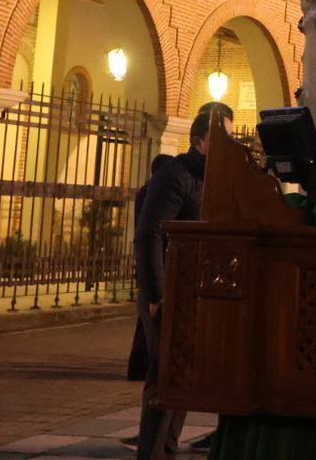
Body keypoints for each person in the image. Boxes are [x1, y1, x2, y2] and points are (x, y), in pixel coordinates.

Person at [132, 103, 233, 460]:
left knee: (182, 379)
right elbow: (149, 236)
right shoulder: (175, 175)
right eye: (219, 139)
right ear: (198, 141)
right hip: (168, 291)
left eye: (231, 139)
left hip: (194, 291)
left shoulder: (216, 177)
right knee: (163, 381)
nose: (227, 147)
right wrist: (157, 295)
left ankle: (166, 451)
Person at [127, 152, 174, 382]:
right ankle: (148, 370)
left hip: (149, 263)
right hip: (156, 263)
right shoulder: (154, 193)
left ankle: (139, 366)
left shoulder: (146, 191)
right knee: (151, 321)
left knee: (144, 319)